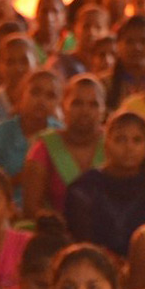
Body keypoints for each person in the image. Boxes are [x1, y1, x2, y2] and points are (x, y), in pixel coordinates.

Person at [64, 110, 145, 256]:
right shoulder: (84, 189)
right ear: (106, 144)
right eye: (120, 140)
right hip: (95, 263)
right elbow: (81, 243)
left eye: (137, 140)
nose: (129, 147)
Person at [19, 73, 106, 216]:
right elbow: (30, 209)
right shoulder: (44, 148)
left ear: (103, 110)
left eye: (93, 104)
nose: (85, 111)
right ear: (63, 105)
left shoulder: (112, 145)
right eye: (77, 103)